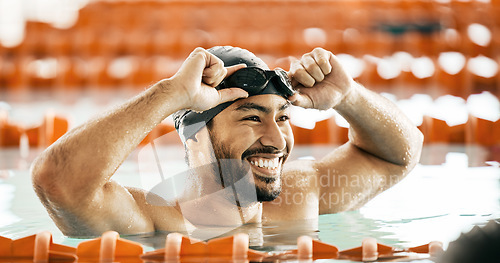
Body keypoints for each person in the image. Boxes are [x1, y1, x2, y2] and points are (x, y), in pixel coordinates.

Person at [31, 46, 423, 237]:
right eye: (252, 118)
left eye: (283, 118)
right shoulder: (151, 220)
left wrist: (350, 97)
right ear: (196, 133)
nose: (276, 140)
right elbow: (57, 182)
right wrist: (169, 95)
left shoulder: (302, 195)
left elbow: (399, 156)